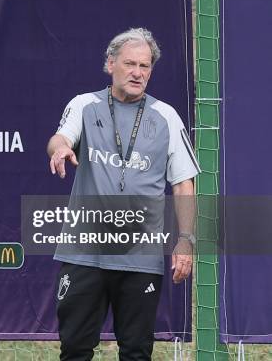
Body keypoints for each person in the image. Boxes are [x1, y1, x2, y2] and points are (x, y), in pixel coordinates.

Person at [47, 28, 200, 361]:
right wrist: (59, 150)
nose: (137, 73)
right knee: (74, 348)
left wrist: (185, 239)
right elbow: (61, 137)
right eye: (130, 64)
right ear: (110, 64)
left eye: (145, 66)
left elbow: (183, 183)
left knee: (136, 351)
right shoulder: (84, 104)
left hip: (140, 258)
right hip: (84, 254)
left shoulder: (166, 117)